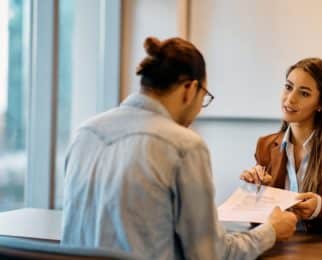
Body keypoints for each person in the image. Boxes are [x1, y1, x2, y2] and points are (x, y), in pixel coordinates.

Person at [61, 36, 297, 259]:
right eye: (204, 96)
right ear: (189, 89)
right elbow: (210, 255)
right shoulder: (184, 146)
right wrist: (271, 231)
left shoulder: (85, 134)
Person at [240, 57, 322, 235]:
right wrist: (256, 193)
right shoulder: (265, 145)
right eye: (288, 87)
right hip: (278, 249)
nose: (290, 99)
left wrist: (320, 209)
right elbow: (256, 223)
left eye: (304, 93)